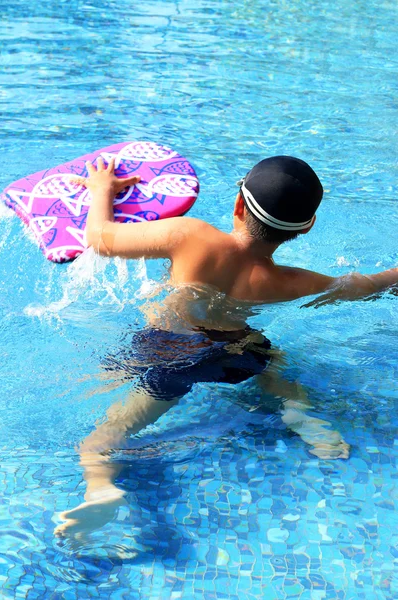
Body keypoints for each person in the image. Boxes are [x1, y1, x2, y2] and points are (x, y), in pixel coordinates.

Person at [54, 155, 397, 538]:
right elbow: (365, 286)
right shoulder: (289, 281)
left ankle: (100, 488)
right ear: (306, 228)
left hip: (170, 352)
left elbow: (99, 239)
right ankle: (301, 414)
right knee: (273, 360)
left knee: (106, 436)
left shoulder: (188, 236)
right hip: (238, 354)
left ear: (237, 204)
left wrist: (102, 189)